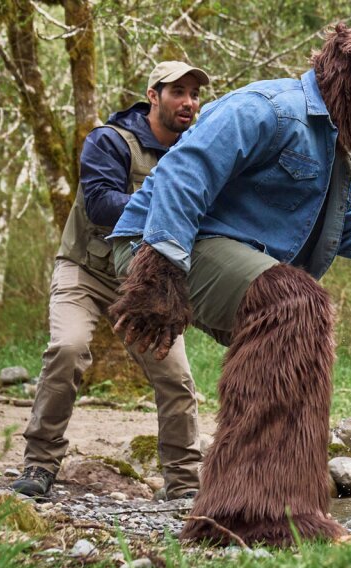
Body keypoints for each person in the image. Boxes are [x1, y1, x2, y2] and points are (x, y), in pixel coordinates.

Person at [107, 18, 351, 546]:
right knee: (294, 301)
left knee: (305, 317)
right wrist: (160, 271)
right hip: (157, 248)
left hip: (225, 254)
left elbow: (341, 230)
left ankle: (279, 514)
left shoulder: (338, 152)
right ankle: (252, 518)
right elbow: (181, 172)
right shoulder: (269, 109)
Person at [11, 62, 211, 500]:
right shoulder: (108, 141)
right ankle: (40, 466)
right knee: (67, 349)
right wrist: (171, 202)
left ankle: (184, 486)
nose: (189, 102)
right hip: (84, 271)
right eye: (178, 91)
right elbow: (101, 204)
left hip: (147, 281)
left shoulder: (197, 151)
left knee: (176, 377)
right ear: (153, 95)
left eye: (194, 94)